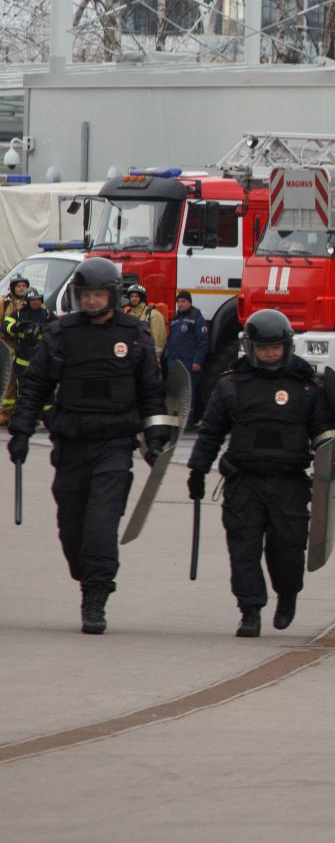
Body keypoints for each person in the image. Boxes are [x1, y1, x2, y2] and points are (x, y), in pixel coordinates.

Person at [6, 256, 169, 634]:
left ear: (112, 295)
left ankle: (96, 596)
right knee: (71, 526)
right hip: (71, 444)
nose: (93, 302)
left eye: (99, 295)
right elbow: (35, 386)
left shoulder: (135, 336)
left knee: (101, 522)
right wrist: (21, 433)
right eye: (87, 295)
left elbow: (152, 393)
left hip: (114, 445)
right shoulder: (60, 334)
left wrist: (156, 439)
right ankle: (86, 574)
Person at [185, 310, 333, 636]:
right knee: (243, 550)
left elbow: (323, 432)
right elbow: (210, 432)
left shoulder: (306, 388)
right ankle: (250, 610)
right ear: (250, 347)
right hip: (244, 482)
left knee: (288, 551)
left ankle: (288, 594)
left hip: (289, 483)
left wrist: (333, 462)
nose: (270, 353)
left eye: (276, 347)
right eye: (263, 347)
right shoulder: (230, 385)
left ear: (287, 346)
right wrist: (198, 468)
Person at [1, 288, 50, 428]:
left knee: (44, 390)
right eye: (33, 300)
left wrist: (43, 329)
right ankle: (24, 418)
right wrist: (16, 327)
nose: (36, 302)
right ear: (27, 301)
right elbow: (6, 326)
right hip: (22, 362)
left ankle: (46, 416)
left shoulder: (45, 314)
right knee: (23, 391)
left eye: (38, 299)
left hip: (40, 361)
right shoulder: (19, 314)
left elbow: (56, 327)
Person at [168, 291, 210, 428]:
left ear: (189, 302)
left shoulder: (196, 317)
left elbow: (203, 341)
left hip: (189, 363)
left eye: (183, 301)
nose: (180, 304)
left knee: (189, 392)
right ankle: (179, 420)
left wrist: (197, 361)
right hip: (176, 363)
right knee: (178, 393)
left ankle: (188, 421)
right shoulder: (175, 319)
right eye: (178, 302)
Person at [122, 283, 169, 365]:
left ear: (142, 297)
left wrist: (156, 360)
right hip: (130, 359)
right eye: (132, 296)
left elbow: (159, 340)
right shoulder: (127, 313)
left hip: (147, 359)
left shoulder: (153, 314)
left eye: (136, 296)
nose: (134, 299)